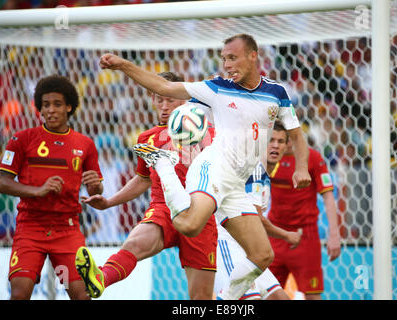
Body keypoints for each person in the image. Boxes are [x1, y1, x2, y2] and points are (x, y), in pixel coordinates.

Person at [100, 33, 311, 299]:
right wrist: (123, 65)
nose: (227, 65)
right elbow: (164, 87)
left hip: (236, 182)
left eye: (232, 58)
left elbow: (297, 134)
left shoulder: (277, 93)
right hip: (214, 168)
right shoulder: (216, 88)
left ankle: (225, 299)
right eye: (224, 59)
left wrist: (301, 167)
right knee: (189, 225)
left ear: (253, 56)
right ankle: (164, 165)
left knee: (262, 254)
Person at [75, 72, 218, 299]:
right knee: (134, 243)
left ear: (183, 98)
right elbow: (143, 178)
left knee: (200, 299)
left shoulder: (206, 132)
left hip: (199, 213)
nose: (163, 106)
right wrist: (110, 201)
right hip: (164, 208)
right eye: (158, 99)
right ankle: (101, 278)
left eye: (169, 99)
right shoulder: (147, 139)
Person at [0, 75, 103, 300]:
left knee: (81, 295)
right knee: (19, 293)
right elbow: (3, 183)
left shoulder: (85, 145)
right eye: (45, 105)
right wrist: (37, 190)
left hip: (67, 230)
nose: (50, 110)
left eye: (56, 104)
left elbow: (97, 191)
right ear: (39, 108)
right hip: (31, 227)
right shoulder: (21, 140)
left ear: (69, 107)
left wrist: (95, 187)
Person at [214, 120, 302, 300]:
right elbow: (256, 219)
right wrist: (287, 236)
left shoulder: (265, 175)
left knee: (280, 298)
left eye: (280, 141)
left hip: (249, 249)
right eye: (271, 140)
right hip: (229, 243)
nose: (275, 146)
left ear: (286, 146)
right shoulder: (254, 169)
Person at [267, 128, 341, 300]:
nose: (288, 142)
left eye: (293, 136)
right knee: (267, 295)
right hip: (275, 236)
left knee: (313, 297)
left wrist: (334, 235)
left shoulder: (313, 158)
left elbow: (329, 196)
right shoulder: (270, 159)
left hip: (305, 237)